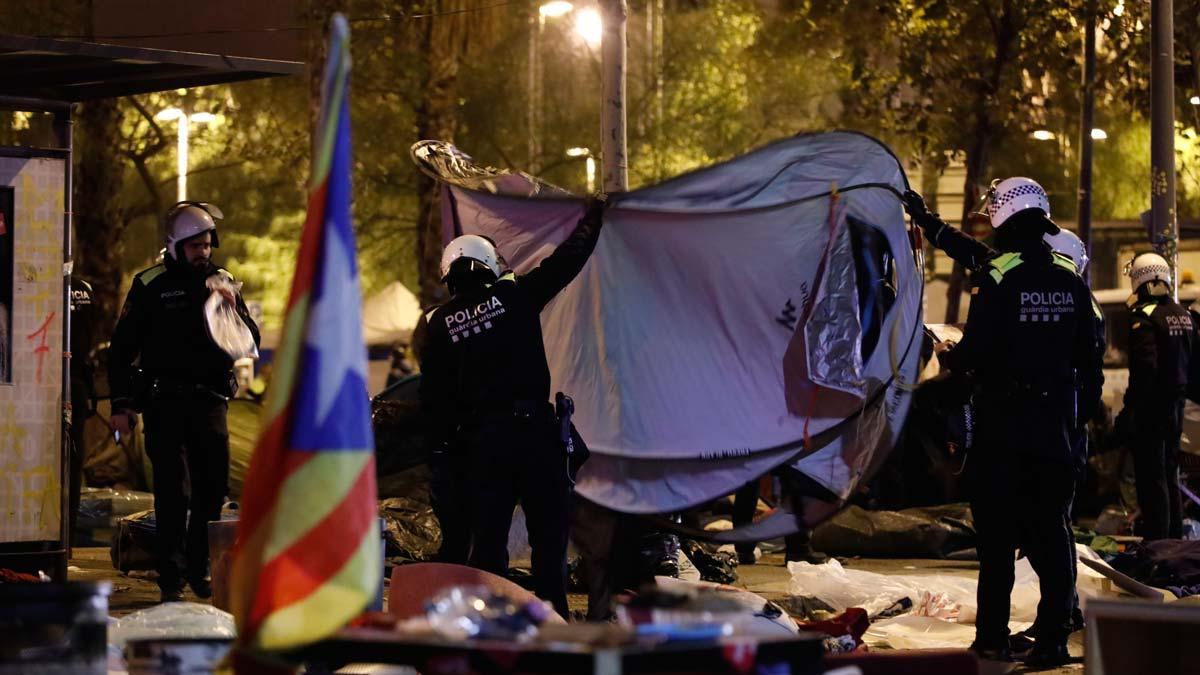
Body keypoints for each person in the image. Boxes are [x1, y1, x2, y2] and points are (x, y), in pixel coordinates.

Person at [906, 178, 1102, 666]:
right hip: (1055, 428)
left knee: (997, 537)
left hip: (1005, 428)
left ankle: (992, 638)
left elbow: (979, 351)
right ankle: (1055, 639)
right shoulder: (1069, 277)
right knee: (1053, 536)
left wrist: (953, 356)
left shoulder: (997, 275)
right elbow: (1089, 356)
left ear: (1001, 214)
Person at [419, 198, 606, 618]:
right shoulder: (515, 295)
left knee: (488, 546)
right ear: (490, 264)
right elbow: (566, 263)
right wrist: (592, 221)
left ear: (450, 275)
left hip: (482, 447)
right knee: (548, 541)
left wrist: (443, 456)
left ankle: (494, 629)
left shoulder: (438, 325)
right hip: (535, 435)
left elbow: (434, 399)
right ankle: (553, 624)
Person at [108, 201, 259, 603]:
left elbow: (249, 342)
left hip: (210, 402)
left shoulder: (223, 281)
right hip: (164, 403)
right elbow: (121, 350)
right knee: (173, 494)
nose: (204, 253)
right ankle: (170, 579)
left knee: (213, 491)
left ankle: (199, 567)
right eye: (195, 246)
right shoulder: (151, 284)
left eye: (208, 245)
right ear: (175, 246)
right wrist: (120, 405)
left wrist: (230, 308)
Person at [1117, 253, 1195, 541]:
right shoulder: (1183, 315)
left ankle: (1158, 544)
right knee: (1170, 474)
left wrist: (1129, 411)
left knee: (1153, 478)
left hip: (1152, 410)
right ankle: (1174, 541)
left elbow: (1144, 371)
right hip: (1177, 407)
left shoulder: (1145, 317)